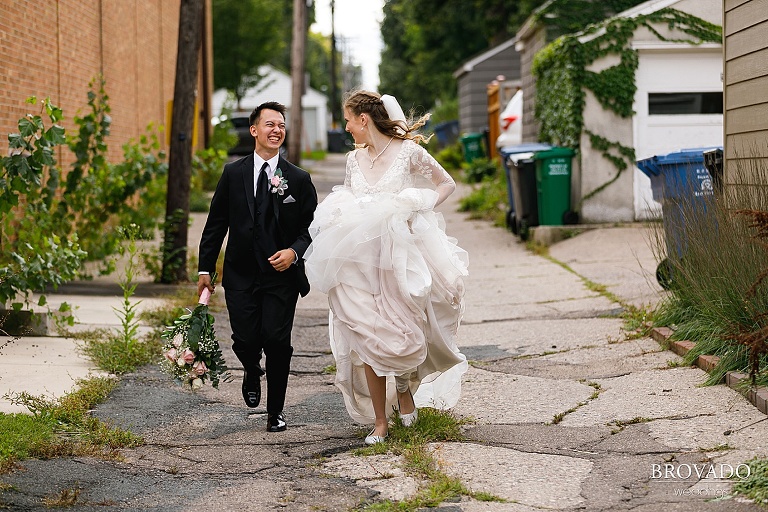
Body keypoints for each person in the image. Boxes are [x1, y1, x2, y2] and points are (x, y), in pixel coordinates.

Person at [304, 91, 468, 445]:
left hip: (398, 255)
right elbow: (347, 196)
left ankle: (405, 389)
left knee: (403, 326)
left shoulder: (408, 152)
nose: (346, 127)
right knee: (365, 334)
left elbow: (446, 183)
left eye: (348, 120)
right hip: (357, 261)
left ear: (364, 119)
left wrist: (417, 203)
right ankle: (380, 421)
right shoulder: (353, 159)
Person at [198, 101, 318, 432]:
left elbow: (314, 227)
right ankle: (252, 368)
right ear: (254, 130)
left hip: (281, 278)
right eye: (270, 124)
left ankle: (275, 411)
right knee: (245, 339)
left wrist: (294, 252)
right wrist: (205, 268)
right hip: (240, 273)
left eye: (281, 125)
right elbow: (215, 224)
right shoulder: (232, 174)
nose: (276, 129)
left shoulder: (298, 179)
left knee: (277, 341)